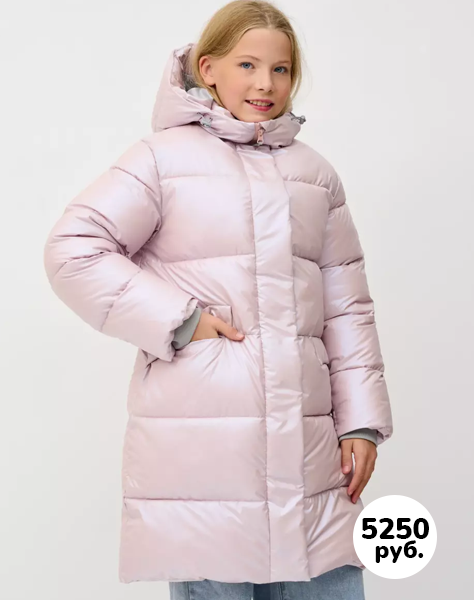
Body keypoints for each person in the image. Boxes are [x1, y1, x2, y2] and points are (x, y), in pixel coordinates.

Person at [43, 1, 393, 598]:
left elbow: (347, 307)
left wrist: (361, 420)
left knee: (327, 578)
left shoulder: (315, 176)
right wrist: (179, 320)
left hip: (309, 458)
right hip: (206, 462)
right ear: (208, 69)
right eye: (247, 65)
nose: (265, 84)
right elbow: (74, 248)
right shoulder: (162, 159)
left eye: (280, 69)